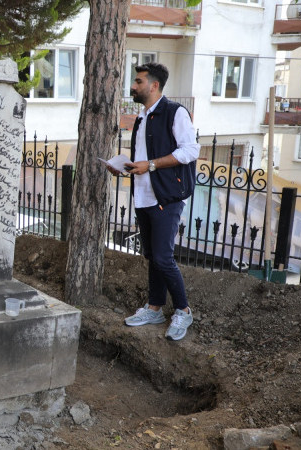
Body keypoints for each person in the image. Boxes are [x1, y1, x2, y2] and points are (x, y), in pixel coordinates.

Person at [110, 62, 199, 341]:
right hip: (144, 197)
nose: (133, 87)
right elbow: (143, 159)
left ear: (154, 85)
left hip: (166, 197)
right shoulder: (141, 118)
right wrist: (124, 166)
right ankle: (155, 308)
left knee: (162, 257)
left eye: (138, 82)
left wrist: (149, 165)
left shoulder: (175, 112)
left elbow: (190, 150)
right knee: (152, 257)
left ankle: (183, 310)